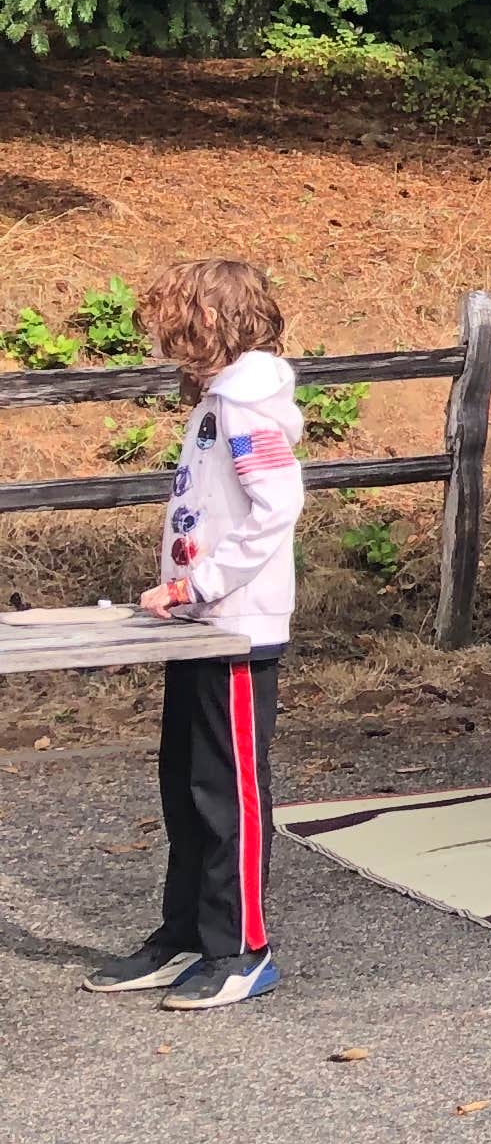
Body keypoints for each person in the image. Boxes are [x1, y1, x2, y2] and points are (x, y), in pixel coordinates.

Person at [84, 259, 305, 1007]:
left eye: (176, 317)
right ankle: (185, 937)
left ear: (209, 318)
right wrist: (183, 595)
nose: (163, 332)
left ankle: (241, 950)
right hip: (197, 626)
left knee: (226, 793)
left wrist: (201, 584)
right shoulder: (218, 400)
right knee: (184, 785)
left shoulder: (248, 403)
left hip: (234, 629)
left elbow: (276, 506)